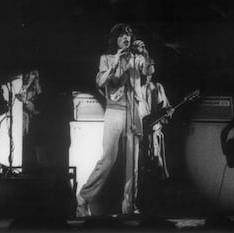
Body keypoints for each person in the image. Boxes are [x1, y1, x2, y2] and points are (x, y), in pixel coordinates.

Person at [76, 24, 148, 217]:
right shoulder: (106, 58)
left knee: (132, 163)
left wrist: (145, 54)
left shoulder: (136, 58)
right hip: (114, 111)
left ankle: (129, 206)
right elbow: (101, 81)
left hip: (132, 111)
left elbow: (148, 72)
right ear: (115, 39)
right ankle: (83, 198)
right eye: (123, 36)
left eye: (129, 35)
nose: (126, 38)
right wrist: (117, 60)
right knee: (108, 159)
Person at [132, 40, 174, 220]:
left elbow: (166, 112)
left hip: (154, 137)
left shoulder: (157, 88)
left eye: (151, 65)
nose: (148, 69)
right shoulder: (134, 88)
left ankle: (157, 208)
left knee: (157, 170)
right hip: (137, 137)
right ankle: (139, 206)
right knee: (138, 173)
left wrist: (167, 113)